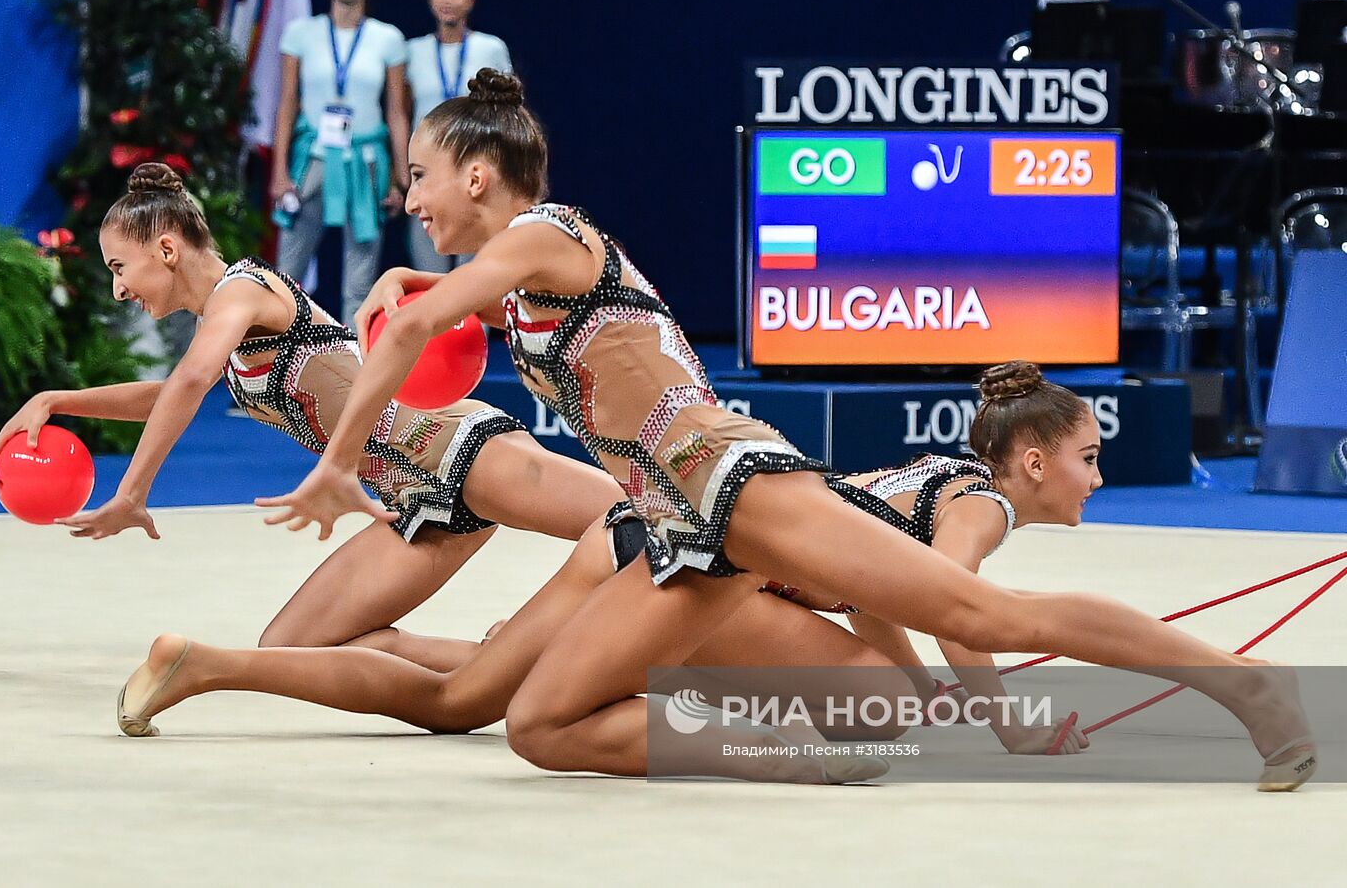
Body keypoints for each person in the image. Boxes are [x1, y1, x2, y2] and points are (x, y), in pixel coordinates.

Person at [255, 69, 1316, 791]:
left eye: (420, 181)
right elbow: (457, 302)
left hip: (733, 484)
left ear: (474, 175)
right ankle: (786, 752)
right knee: (540, 729)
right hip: (681, 531)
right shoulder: (525, 265)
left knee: (981, 615)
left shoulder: (546, 233)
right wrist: (409, 277)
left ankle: (1245, 687)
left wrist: (339, 460)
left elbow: (435, 320)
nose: (415, 199)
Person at [113, 363, 1119, 776]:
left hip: (640, 536)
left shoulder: (932, 476)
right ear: (1027, 461)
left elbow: (882, 601)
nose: (1096, 474)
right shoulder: (978, 504)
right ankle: (218, 664)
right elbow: (963, 612)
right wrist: (1003, 724)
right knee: (874, 720)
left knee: (464, 693)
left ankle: (209, 662)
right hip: (701, 565)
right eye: (1085, 457)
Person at [0, 162, 624, 658]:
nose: (119, 288)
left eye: (120, 267)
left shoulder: (244, 289)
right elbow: (176, 387)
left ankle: (713, 710)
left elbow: (191, 379)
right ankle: (507, 660)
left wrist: (133, 491)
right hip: (420, 499)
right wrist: (56, 399)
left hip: (459, 449)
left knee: (649, 531)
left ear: (167, 250)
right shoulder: (223, 331)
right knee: (290, 649)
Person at [270, 0, 410, 325]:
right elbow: (286, 103)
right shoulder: (301, 33)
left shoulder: (388, 38)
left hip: (365, 160)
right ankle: (280, 360)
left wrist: (401, 175)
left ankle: (354, 369)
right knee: (288, 272)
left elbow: (396, 111)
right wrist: (278, 170)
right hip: (312, 157)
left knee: (361, 278)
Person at [405, 0, 512, 274]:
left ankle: (479, 325)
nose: (447, 0)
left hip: (475, 167)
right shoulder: (413, 51)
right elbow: (400, 110)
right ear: (430, 0)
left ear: (470, 0)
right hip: (426, 170)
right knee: (428, 269)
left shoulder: (490, 47)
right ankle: (435, 324)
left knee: (477, 271)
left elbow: (507, 110)